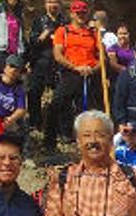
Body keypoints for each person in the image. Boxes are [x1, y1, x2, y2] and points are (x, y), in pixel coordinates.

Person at [44, 1, 102, 152]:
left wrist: (93, 69)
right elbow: (57, 54)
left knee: (90, 112)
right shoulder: (63, 31)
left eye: (83, 12)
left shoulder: (94, 33)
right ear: (71, 14)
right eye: (77, 13)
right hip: (70, 73)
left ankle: (90, 145)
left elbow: (102, 58)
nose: (81, 15)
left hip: (89, 75)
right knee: (55, 104)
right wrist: (74, 67)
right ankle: (49, 142)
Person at [26, 0, 65, 133]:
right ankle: (34, 122)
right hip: (41, 61)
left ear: (59, 5)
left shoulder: (64, 22)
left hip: (59, 63)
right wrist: (42, 36)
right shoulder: (39, 21)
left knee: (60, 96)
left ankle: (57, 126)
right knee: (34, 93)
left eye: (55, 2)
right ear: (45, 5)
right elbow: (32, 42)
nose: (52, 5)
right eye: (49, 2)